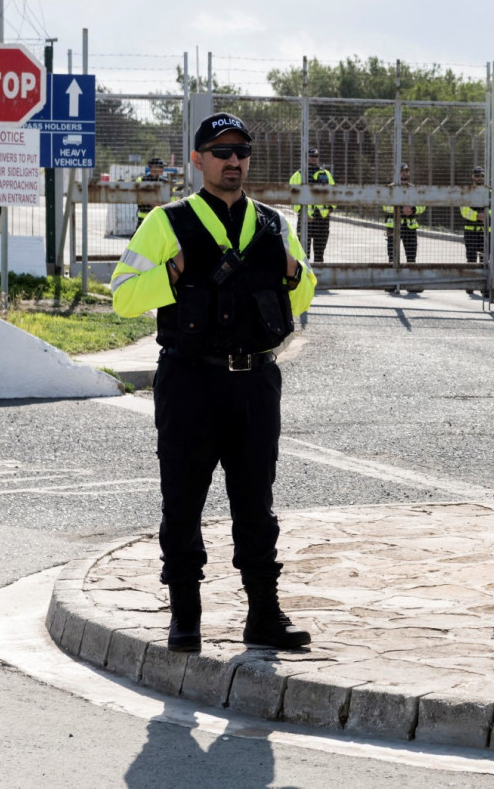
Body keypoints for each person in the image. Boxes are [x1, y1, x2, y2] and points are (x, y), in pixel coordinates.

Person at [110, 112, 317, 653]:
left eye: (241, 151)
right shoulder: (166, 221)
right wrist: (170, 275)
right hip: (189, 382)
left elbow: (302, 295)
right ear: (198, 159)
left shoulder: (275, 224)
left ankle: (263, 617)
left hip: (255, 382)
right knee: (182, 500)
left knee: (256, 503)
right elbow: (122, 295)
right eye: (220, 151)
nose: (233, 160)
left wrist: (296, 277)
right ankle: (185, 617)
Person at [382, 162, 425, 294]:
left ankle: (410, 283)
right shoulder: (390, 188)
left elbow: (422, 205)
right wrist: (400, 209)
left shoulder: (414, 189)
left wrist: (412, 209)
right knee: (392, 256)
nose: (405, 174)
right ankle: (391, 283)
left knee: (411, 256)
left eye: (406, 171)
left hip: (410, 227)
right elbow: (385, 206)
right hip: (393, 227)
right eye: (402, 171)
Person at [289, 147, 336, 264]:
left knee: (320, 254)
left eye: (315, 157)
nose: (313, 159)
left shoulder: (326, 174)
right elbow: (292, 198)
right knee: (303, 254)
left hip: (322, 219)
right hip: (306, 220)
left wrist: (330, 209)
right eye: (310, 157)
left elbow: (334, 193)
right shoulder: (298, 175)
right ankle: (305, 279)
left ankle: (319, 277)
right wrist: (302, 212)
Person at [459, 166, 489, 295]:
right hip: (470, 230)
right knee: (471, 257)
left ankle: (483, 285)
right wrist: (478, 216)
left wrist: (487, 216)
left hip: (484, 230)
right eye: (477, 176)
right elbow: (464, 210)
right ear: (473, 177)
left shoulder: (489, 192)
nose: (480, 178)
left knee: (484, 258)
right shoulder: (467, 192)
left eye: (482, 176)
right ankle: (470, 283)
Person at [135, 155, 166, 229]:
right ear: (152, 167)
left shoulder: (163, 182)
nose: (162, 169)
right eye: (160, 167)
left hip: (158, 217)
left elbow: (166, 201)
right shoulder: (141, 180)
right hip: (143, 218)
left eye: (162, 167)